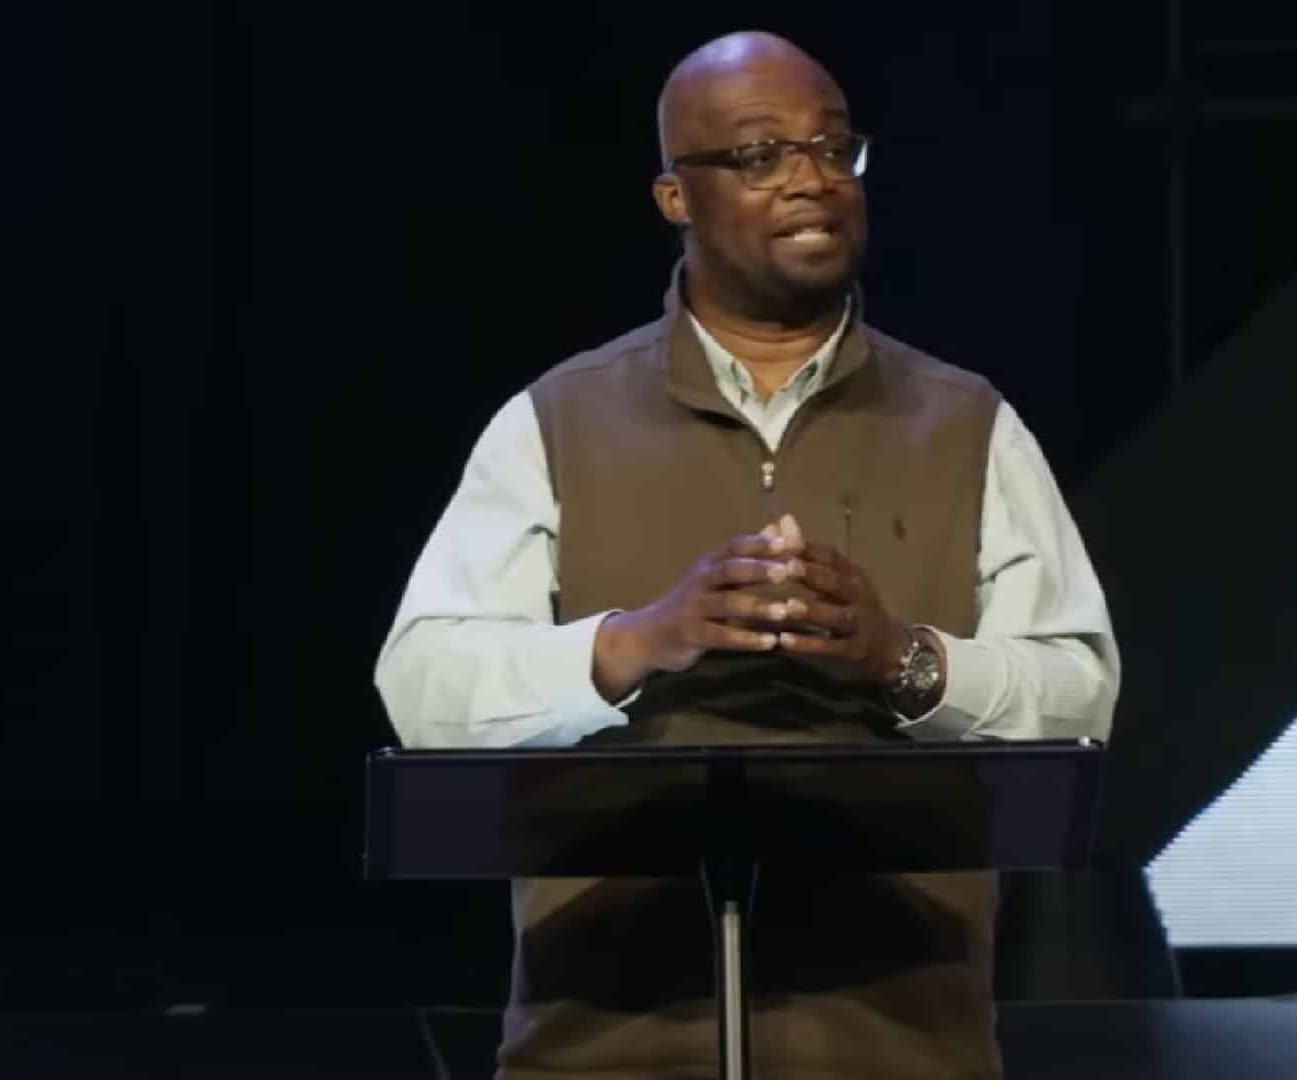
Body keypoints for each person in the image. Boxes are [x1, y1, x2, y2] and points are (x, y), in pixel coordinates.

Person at [375, 30, 1119, 1080]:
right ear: (675, 197)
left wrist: (903, 661)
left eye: (834, 148)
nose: (813, 180)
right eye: (762, 155)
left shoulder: (968, 423)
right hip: (606, 1053)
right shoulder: (556, 420)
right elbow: (421, 686)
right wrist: (634, 643)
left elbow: (1081, 694)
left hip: (903, 1050)